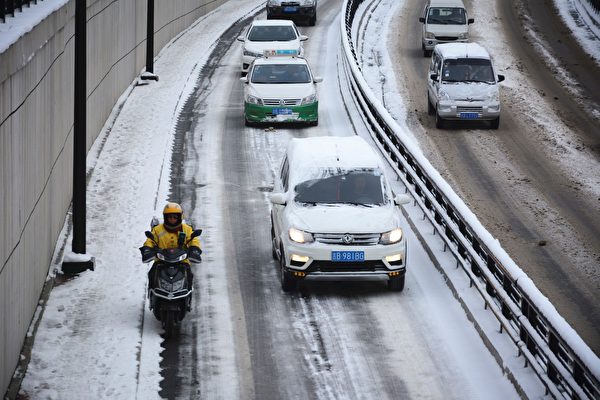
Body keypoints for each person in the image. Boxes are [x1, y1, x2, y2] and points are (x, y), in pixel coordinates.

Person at [139, 202, 202, 291]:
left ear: (180, 217)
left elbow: (193, 239)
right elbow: (150, 240)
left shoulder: (187, 229)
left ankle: (188, 295)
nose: (172, 219)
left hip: (182, 261)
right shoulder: (157, 229)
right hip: (161, 260)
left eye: (175, 217)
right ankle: (152, 293)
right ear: (165, 217)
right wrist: (147, 249)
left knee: (189, 274)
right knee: (152, 273)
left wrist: (194, 249)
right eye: (169, 217)